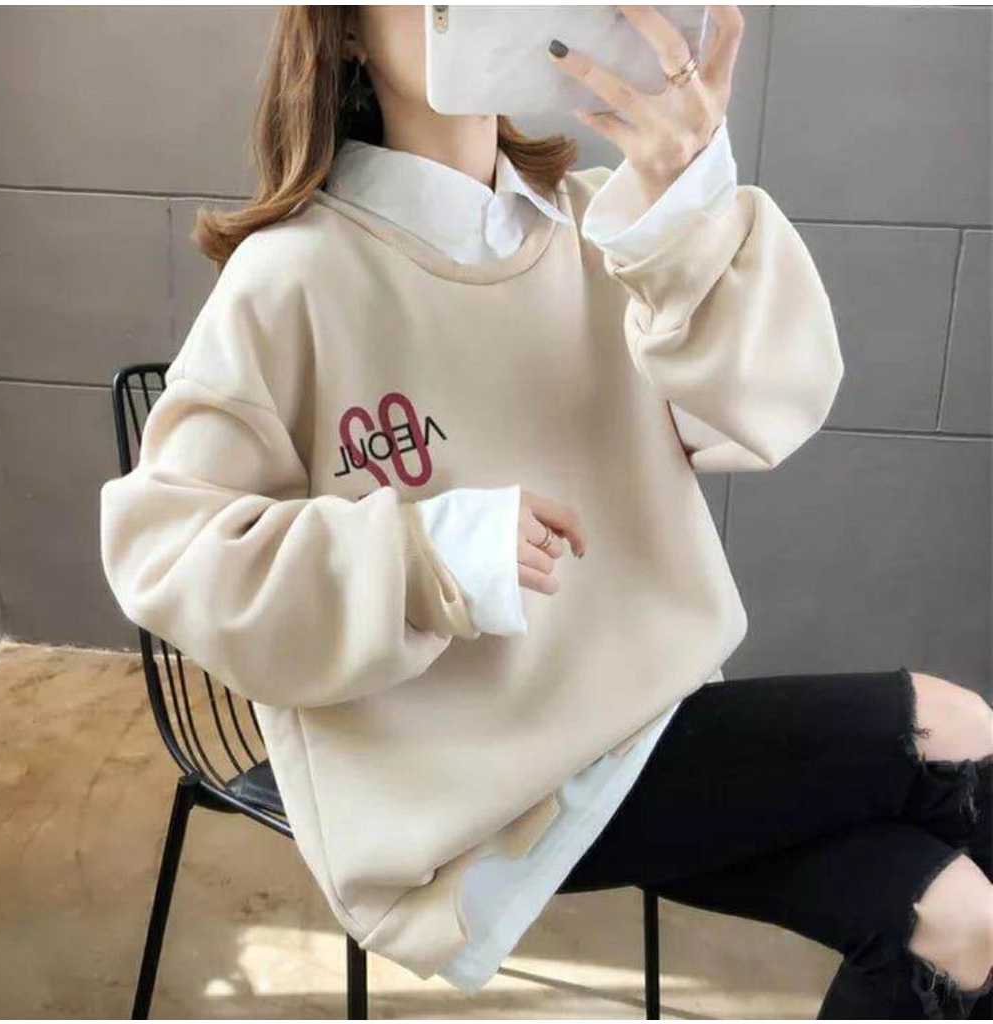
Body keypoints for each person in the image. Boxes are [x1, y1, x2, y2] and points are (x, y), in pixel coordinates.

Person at [99, 5, 993, 1017]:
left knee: (961, 924)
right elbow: (169, 548)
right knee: (955, 727)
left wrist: (693, 194)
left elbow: (763, 411)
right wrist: (427, 553)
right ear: (345, 31)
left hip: (648, 719)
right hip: (469, 789)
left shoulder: (616, 228)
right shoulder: (293, 274)